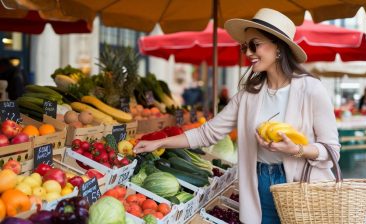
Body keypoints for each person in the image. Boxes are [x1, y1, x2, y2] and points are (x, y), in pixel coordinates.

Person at [134, 8, 340, 224]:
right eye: (245, 47)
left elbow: (331, 150)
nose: (248, 53)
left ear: (278, 46)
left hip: (301, 188)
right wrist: (159, 142)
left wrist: (296, 149)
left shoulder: (311, 89)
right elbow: (208, 133)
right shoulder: (248, 96)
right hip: (258, 185)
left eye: (255, 44)